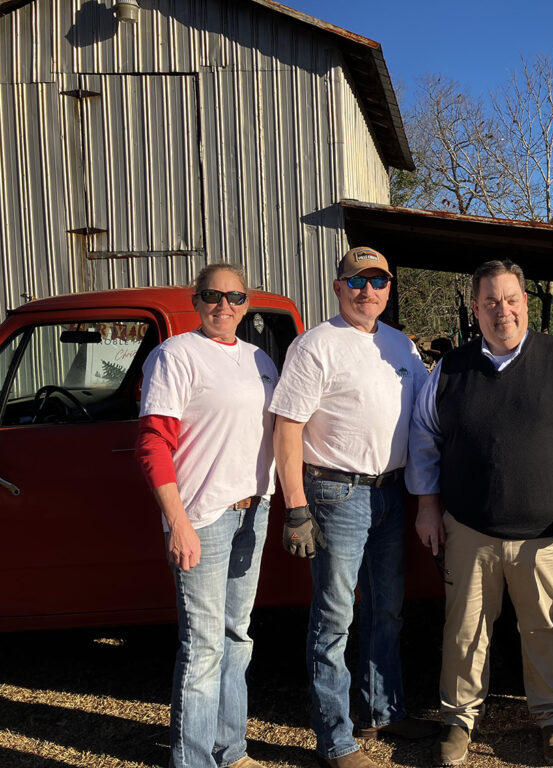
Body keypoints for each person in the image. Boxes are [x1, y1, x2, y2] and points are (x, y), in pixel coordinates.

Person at [407, 259, 553, 767]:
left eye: (510, 300)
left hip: (545, 533)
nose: (501, 310)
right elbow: (424, 438)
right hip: (468, 528)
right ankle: (459, 721)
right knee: (465, 630)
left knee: (547, 628)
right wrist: (427, 506)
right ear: (476, 309)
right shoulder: (450, 368)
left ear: (525, 303)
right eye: (489, 302)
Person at [269, 247, 436, 768]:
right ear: (339, 286)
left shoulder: (401, 345)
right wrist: (295, 505)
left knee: (386, 610)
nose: (369, 291)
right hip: (335, 493)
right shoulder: (315, 345)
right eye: (358, 281)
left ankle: (385, 712)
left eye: (379, 281)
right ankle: (337, 740)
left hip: (391, 493)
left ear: (389, 287)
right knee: (334, 617)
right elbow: (288, 427)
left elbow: (428, 410)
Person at [136, 263, 278, 768]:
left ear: (247, 302)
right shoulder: (175, 356)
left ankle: (231, 750)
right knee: (202, 647)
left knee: (237, 637)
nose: (224, 306)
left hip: (251, 512)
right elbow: (153, 443)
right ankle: (192, 760)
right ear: (196, 301)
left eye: (235, 296)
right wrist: (177, 522)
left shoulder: (260, 359)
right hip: (203, 516)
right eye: (213, 296)